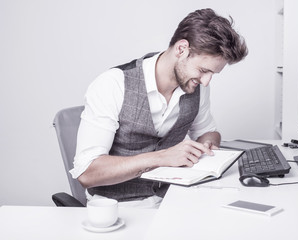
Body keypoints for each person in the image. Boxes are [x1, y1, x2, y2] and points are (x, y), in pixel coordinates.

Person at [70, 8, 248, 205]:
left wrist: (206, 146)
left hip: (174, 198)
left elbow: (209, 132)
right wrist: (161, 157)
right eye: (203, 70)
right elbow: (87, 173)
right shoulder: (112, 84)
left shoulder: (196, 86)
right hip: (119, 205)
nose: (206, 81)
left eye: (212, 74)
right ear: (181, 49)